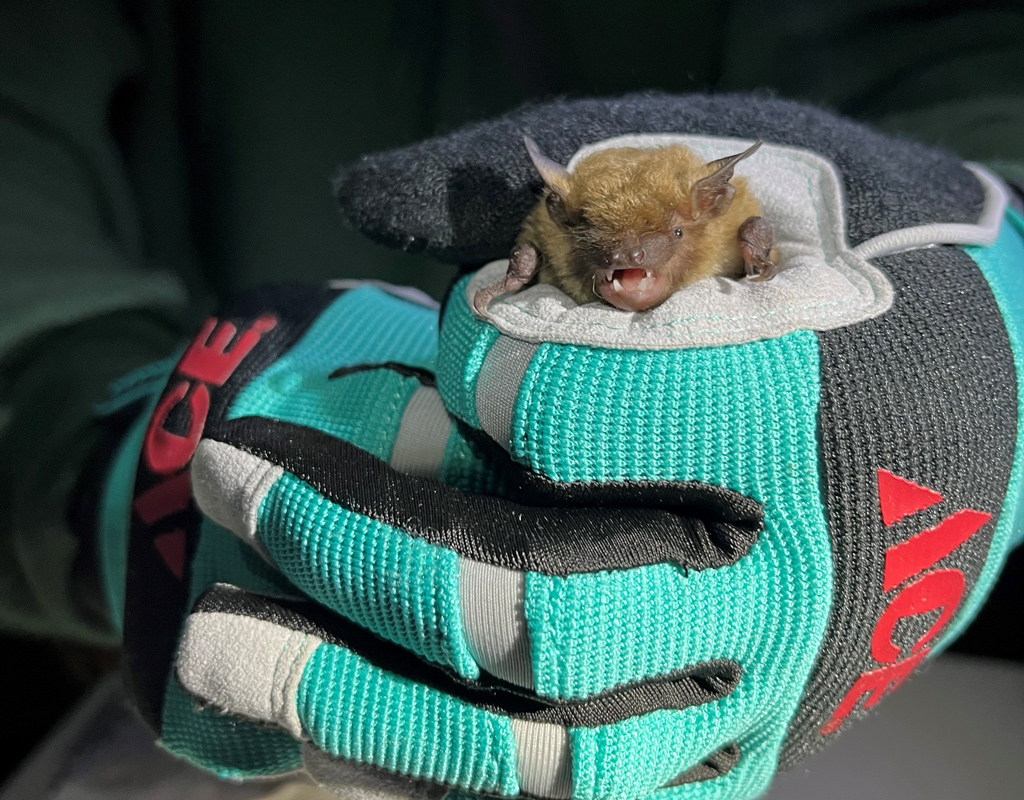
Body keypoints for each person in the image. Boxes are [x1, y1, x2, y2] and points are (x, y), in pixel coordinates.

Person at [2, 0, 1021, 795]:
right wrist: (87, 433)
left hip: (749, 403)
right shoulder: (570, 230)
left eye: (648, 257)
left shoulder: (729, 223)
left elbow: (974, 45)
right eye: (604, 257)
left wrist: (991, 286)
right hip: (278, 390)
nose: (628, 272)